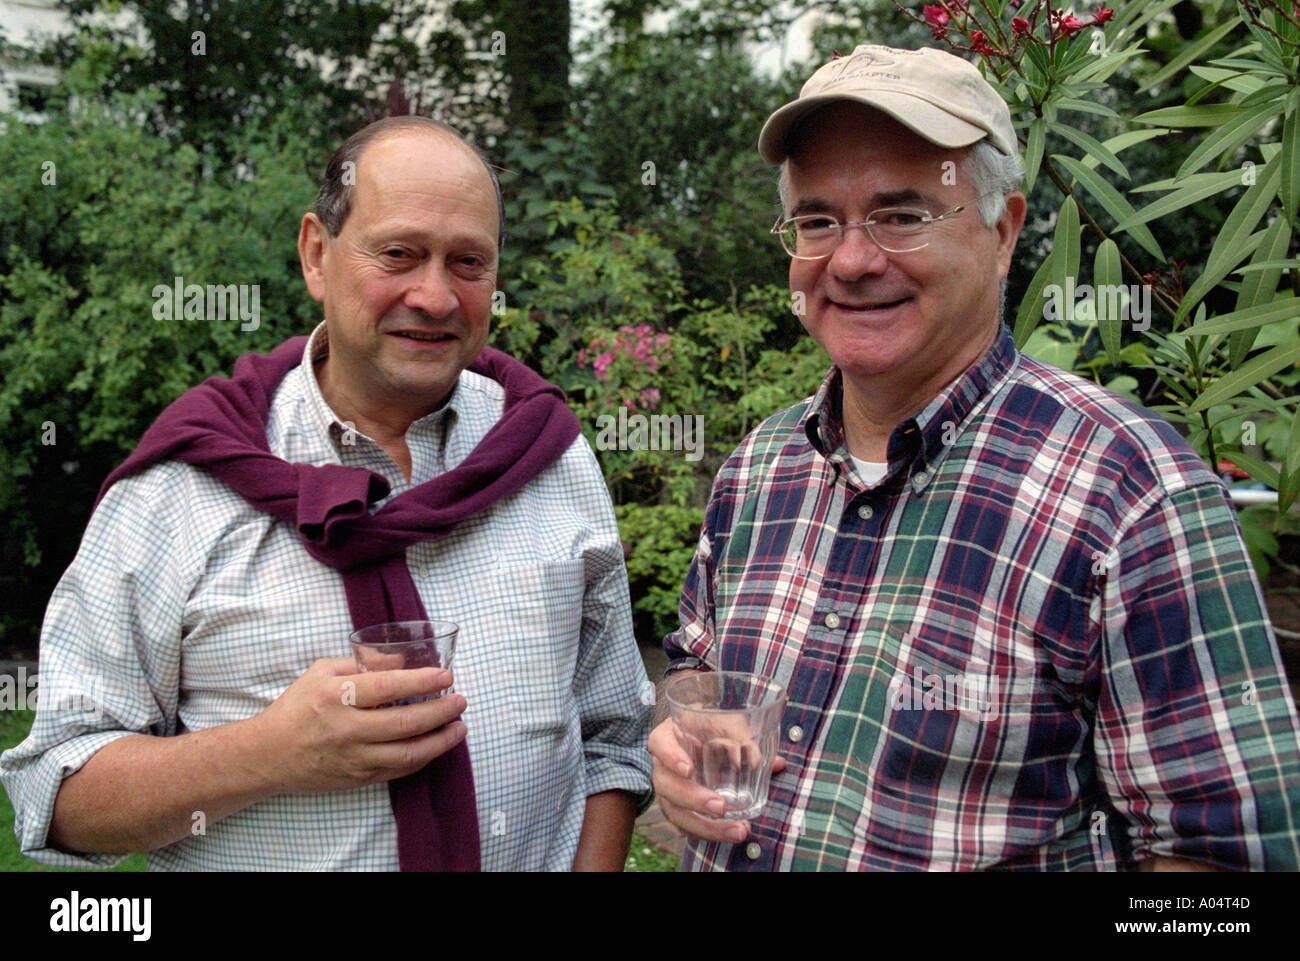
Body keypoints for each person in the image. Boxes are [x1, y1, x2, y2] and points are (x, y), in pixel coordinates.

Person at [648, 44, 1300, 871]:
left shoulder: (1131, 492)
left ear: (1003, 231)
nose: (850, 260)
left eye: (903, 214)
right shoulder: (760, 468)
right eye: (818, 220)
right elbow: (697, 669)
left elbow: (1228, 861)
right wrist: (680, 740)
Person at [0, 116, 652, 871]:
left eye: (467, 262)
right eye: (399, 253)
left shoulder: (547, 455)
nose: (436, 297)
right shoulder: (182, 488)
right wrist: (268, 752)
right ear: (317, 253)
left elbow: (611, 737)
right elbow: (55, 791)